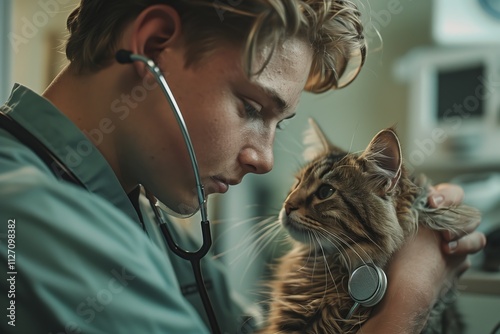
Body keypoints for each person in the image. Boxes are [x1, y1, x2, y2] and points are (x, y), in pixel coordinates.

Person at [0, 1, 486, 333]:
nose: (264, 159)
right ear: (152, 46)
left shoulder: (146, 220)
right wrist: (411, 299)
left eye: (280, 124)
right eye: (252, 109)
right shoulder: (30, 216)